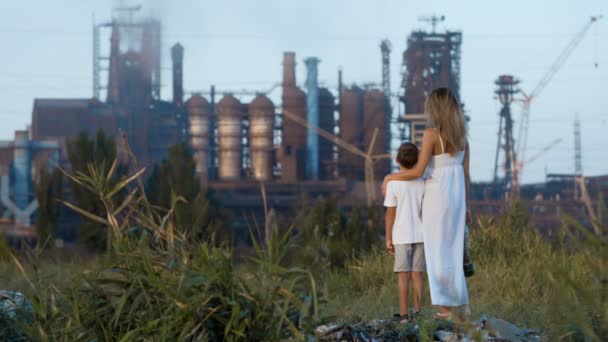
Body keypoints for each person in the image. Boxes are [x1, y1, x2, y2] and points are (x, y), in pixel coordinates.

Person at [382, 87, 471, 321]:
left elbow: (419, 171)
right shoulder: (463, 140)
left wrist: (391, 176)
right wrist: (467, 206)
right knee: (454, 251)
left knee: (436, 252)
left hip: (437, 197)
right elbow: (466, 175)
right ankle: (461, 307)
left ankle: (445, 310)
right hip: (457, 198)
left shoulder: (432, 135)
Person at [384, 142, 426, 323]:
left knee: (403, 277)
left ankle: (404, 316)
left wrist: (388, 239)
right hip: (421, 234)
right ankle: (418, 313)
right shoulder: (423, 182)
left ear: (396, 159)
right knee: (417, 275)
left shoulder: (393, 184)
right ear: (417, 160)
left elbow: (390, 215)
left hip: (401, 235)